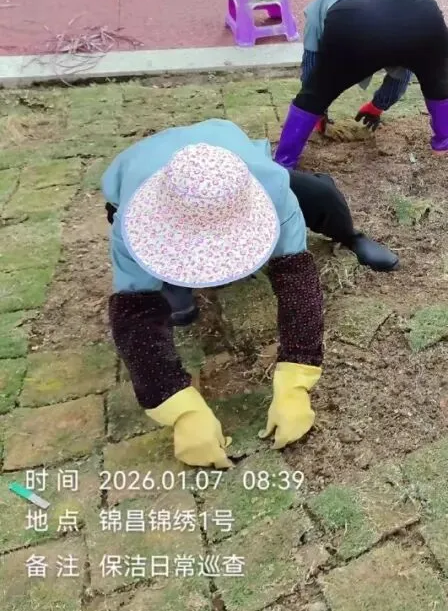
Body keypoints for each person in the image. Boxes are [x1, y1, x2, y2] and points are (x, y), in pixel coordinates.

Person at [102, 119, 394, 469]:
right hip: (144, 176)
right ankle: (174, 280)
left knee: (322, 198)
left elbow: (296, 278)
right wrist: (179, 407)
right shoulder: (131, 219)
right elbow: (133, 312)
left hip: (241, 167)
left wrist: (295, 381)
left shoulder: (271, 190)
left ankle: (350, 234)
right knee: (167, 304)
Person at [275, 0, 448, 169]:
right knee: (436, 78)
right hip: (425, 16)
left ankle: (284, 162)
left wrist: (317, 107)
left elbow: (312, 61)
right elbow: (403, 69)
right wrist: (378, 106)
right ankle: (445, 140)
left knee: (315, 93)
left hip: (354, 25)